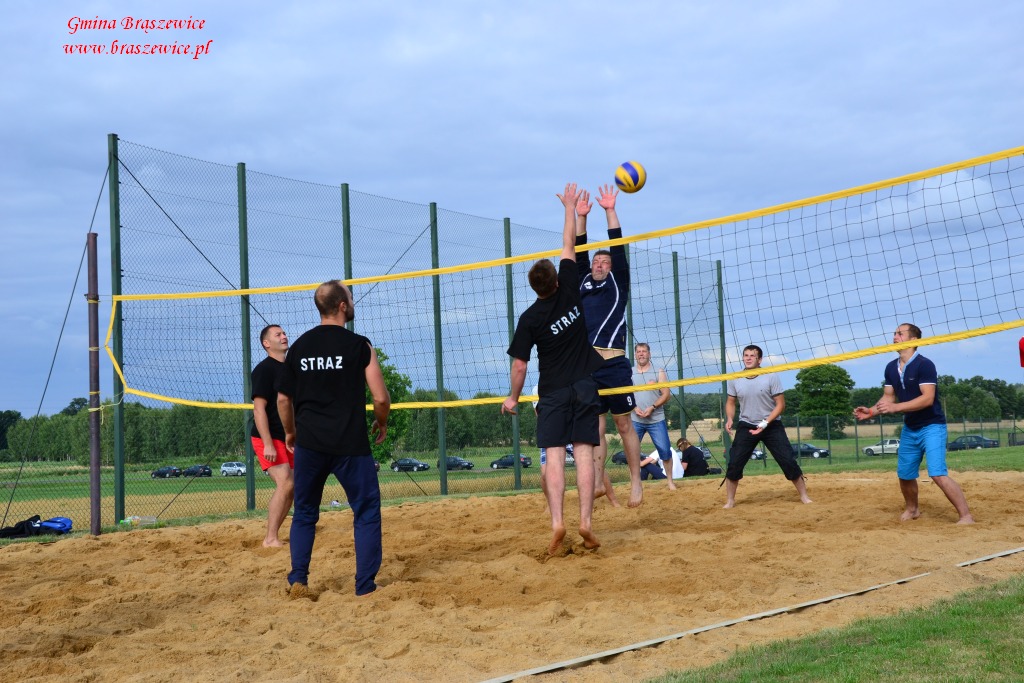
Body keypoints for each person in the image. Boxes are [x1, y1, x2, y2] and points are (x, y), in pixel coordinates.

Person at [503, 183, 605, 555]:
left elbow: (519, 366)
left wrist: (513, 398)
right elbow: (568, 244)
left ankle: (558, 521)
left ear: (535, 289)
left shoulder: (530, 318)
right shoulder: (571, 289)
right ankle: (585, 522)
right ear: (557, 280)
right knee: (584, 453)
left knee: (555, 457)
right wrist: (570, 208)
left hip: (553, 392)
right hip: (584, 385)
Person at [277, 280, 391, 597]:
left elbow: (283, 400)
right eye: (351, 298)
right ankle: (365, 586)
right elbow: (381, 398)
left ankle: (298, 580)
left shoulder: (299, 347)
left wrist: (290, 432)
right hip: (350, 444)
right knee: (365, 511)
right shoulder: (360, 346)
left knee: (304, 513)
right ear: (342, 306)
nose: (353, 302)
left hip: (310, 444)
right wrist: (381, 422)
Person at [854, 323, 974, 524]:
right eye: (894, 333)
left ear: (913, 340)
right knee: (905, 474)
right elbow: (888, 397)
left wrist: (896, 408)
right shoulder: (891, 367)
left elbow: (927, 398)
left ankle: (966, 516)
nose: (895, 337)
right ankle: (913, 510)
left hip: (932, 426)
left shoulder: (924, 364)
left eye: (900, 334)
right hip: (910, 428)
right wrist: (872, 412)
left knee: (937, 473)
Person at [576, 184, 644, 508]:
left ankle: (636, 482)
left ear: (612, 267)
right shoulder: (582, 282)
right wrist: (581, 216)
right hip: (588, 366)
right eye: (596, 261)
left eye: (605, 261)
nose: (600, 264)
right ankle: (598, 483)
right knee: (596, 427)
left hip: (614, 363)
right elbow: (579, 248)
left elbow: (617, 244)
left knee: (623, 423)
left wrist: (610, 210)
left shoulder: (619, 283)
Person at [723, 345, 812, 508]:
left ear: (760, 360)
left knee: (788, 460)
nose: (748, 358)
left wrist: (765, 423)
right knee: (734, 462)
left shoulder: (770, 376)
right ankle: (730, 500)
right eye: (746, 355)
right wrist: (729, 418)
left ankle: (804, 496)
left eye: (752, 356)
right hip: (747, 424)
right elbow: (730, 402)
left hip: (771, 424)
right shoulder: (735, 378)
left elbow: (781, 404)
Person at [250, 324, 295, 548]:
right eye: (278, 334)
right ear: (266, 343)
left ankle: (274, 534)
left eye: (284, 333)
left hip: (289, 436)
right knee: (285, 482)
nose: (284, 336)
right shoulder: (264, 370)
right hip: (267, 436)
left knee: (292, 486)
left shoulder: (291, 368)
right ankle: (270, 538)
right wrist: (268, 443)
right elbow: (259, 410)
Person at [632, 342, 675, 490]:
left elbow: (666, 394)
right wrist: (634, 408)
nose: (641, 354)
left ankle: (670, 481)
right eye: (638, 351)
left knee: (665, 451)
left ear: (649, 354)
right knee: (632, 452)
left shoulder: (658, 371)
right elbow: (625, 395)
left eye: (644, 351)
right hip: (635, 418)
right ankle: (635, 483)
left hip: (656, 418)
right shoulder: (630, 372)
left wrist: (652, 407)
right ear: (635, 354)